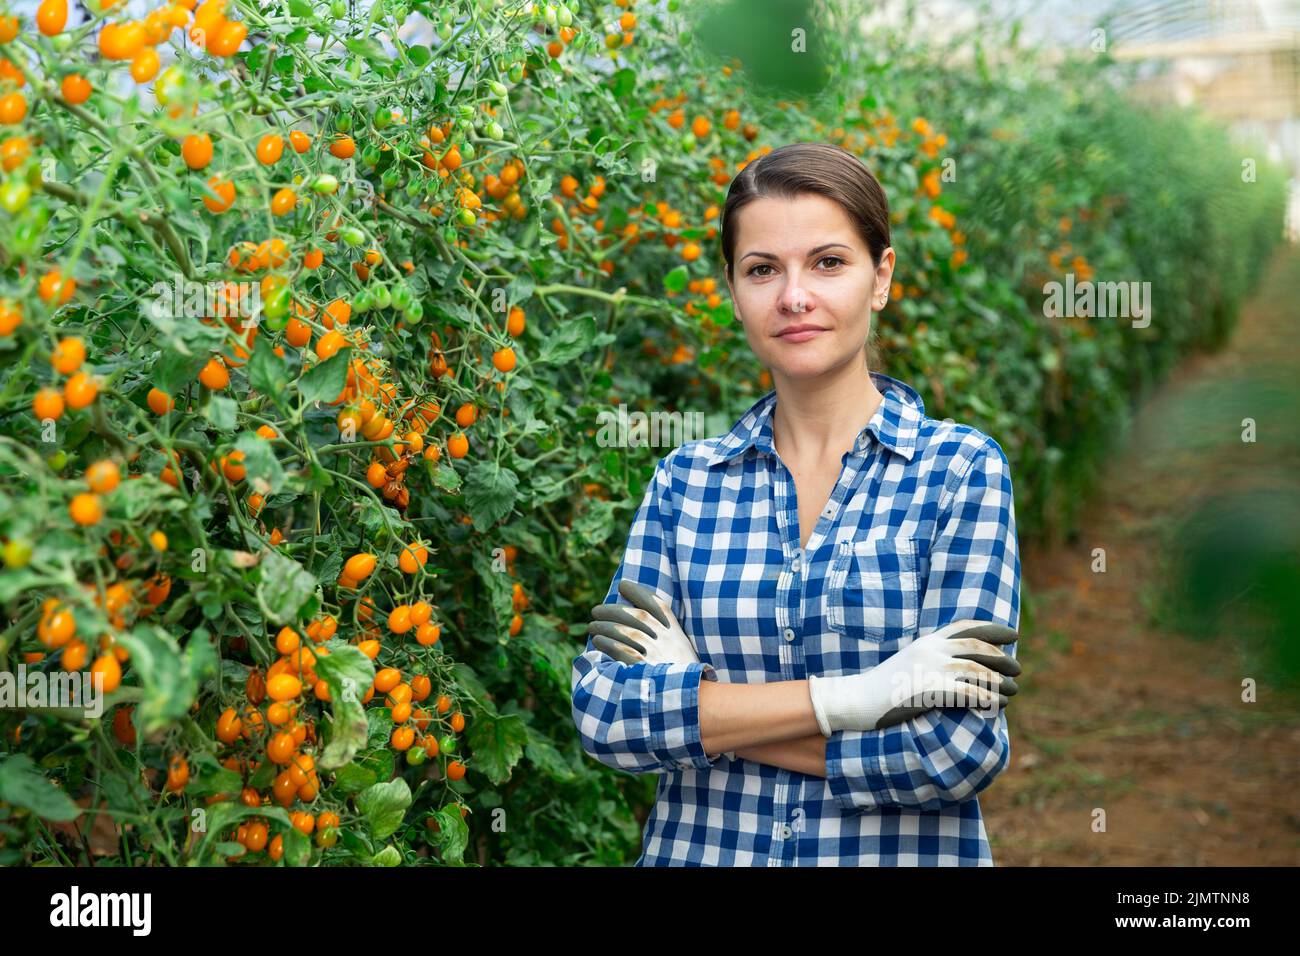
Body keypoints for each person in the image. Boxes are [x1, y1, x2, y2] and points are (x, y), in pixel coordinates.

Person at [570, 142, 1023, 866]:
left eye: (828, 262)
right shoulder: (685, 484)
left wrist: (704, 707)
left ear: (882, 278)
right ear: (733, 290)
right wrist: (861, 698)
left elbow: (956, 751)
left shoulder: (958, 472)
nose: (794, 297)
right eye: (762, 270)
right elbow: (607, 715)